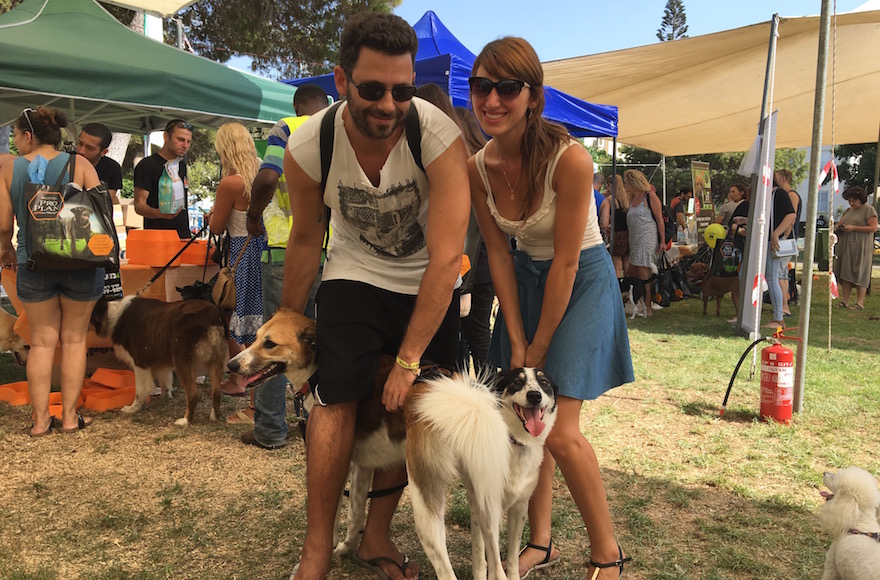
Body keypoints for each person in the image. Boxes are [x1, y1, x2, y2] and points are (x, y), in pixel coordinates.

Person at [283, 13, 470, 580]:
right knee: (335, 396)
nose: (388, 104)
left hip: (427, 281)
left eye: (402, 90)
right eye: (372, 89)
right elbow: (305, 235)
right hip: (353, 274)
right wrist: (290, 318)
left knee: (413, 407)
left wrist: (408, 361)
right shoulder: (308, 145)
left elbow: (446, 258)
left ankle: (377, 533)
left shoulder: (438, 138)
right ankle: (316, 549)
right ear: (341, 82)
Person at [467, 37, 633, 579]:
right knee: (523, 418)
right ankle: (540, 541)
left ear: (533, 96)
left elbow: (565, 263)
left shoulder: (573, 159)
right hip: (523, 279)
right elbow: (497, 252)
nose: (492, 99)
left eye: (507, 87)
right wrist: (516, 340)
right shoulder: (477, 166)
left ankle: (608, 554)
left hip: (580, 278)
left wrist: (534, 351)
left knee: (558, 429)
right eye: (481, 86)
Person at [234, 83, 329, 449]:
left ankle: (271, 429)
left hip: (285, 250)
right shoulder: (338, 131)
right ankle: (318, 420)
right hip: (333, 255)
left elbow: (269, 176)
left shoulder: (286, 128)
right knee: (317, 344)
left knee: (272, 344)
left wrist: (253, 215)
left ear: (295, 105)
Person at [0, 107, 104, 435]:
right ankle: (71, 418)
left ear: (28, 136)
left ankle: (41, 421)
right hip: (81, 262)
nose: (15, 142)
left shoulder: (9, 169)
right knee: (74, 340)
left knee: (43, 343)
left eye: (16, 136)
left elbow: (3, 225)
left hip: (33, 262)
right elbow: (102, 211)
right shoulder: (81, 164)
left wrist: (7, 250)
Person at [208, 122, 264, 395]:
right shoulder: (263, 172)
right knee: (259, 319)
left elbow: (217, 227)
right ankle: (255, 387)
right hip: (265, 248)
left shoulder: (230, 183)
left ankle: (238, 381)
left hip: (241, 251)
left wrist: (211, 216)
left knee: (233, 315)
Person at [454, 106, 493, 372]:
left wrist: (465, 286)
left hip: (472, 269)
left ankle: (488, 394)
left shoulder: (472, 169)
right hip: (477, 268)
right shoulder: (483, 165)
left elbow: (471, 230)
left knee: (471, 336)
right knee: (470, 336)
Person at [133, 119, 193, 238]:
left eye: (188, 141)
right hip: (157, 238)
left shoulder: (181, 165)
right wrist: (158, 213)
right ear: (166, 136)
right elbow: (139, 205)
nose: (185, 145)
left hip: (183, 236)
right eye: (180, 140)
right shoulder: (147, 165)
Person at [624, 168, 665, 316]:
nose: (624, 185)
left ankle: (648, 305)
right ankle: (640, 303)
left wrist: (662, 240)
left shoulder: (649, 196)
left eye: (626, 182)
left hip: (647, 237)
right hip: (634, 239)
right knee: (634, 271)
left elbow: (659, 219)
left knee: (644, 271)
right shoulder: (631, 198)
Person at [833, 186, 878, 310]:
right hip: (846, 245)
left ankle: (859, 302)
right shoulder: (848, 211)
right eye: (849, 200)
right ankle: (845, 301)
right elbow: (840, 223)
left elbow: (873, 228)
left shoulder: (869, 210)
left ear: (861, 199)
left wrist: (853, 228)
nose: (851, 203)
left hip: (861, 247)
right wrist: (840, 227)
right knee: (845, 272)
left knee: (860, 272)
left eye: (853, 201)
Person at [762, 177, 796, 328]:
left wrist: (776, 234)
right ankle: (778, 315)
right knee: (773, 277)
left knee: (773, 277)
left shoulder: (779, 194)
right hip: (770, 241)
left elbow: (791, 215)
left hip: (773, 242)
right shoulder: (770, 195)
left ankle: (778, 317)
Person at [774, 169, 801, 316]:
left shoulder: (791, 195)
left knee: (780, 273)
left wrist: (783, 236)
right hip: (786, 238)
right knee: (781, 273)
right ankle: (783, 305)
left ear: (783, 179)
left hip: (786, 239)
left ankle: (783, 306)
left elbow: (791, 217)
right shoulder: (789, 194)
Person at [76, 123, 122, 204]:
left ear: (103, 152)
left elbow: (105, 204)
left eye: (90, 148)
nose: (81, 151)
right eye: (80, 144)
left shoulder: (112, 168)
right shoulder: (65, 161)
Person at [600, 174, 630, 278]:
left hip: (616, 233)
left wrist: (604, 196)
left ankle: (618, 285)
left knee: (616, 263)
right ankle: (627, 284)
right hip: (627, 233)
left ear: (609, 185)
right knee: (626, 260)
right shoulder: (626, 197)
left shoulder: (610, 199)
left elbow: (606, 218)